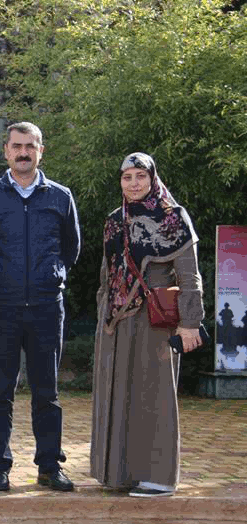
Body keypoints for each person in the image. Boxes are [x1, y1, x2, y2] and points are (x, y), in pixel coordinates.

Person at [0, 121, 80, 493]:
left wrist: (53, 276)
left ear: (40, 150)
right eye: (16, 146)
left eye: (30, 146)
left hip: (46, 308)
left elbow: (71, 249)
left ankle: (49, 466)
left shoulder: (60, 197)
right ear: (5, 151)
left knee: (46, 392)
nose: (23, 152)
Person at [91, 152, 204, 497]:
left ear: (152, 178)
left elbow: (189, 277)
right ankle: (121, 473)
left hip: (155, 320)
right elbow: (106, 272)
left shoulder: (173, 218)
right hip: (115, 321)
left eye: (140, 175)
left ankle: (158, 476)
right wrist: (102, 314)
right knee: (119, 391)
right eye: (127, 177)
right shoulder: (114, 220)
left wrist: (190, 324)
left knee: (153, 393)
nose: (134, 183)